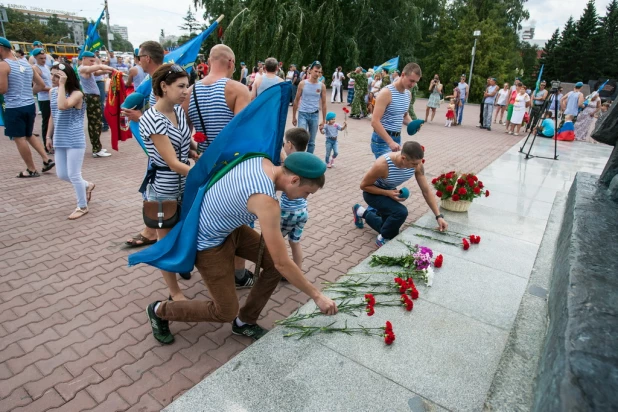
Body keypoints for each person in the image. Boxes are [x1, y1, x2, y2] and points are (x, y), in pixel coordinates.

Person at [145, 152, 338, 344]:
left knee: (271, 266)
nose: (306, 197)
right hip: (208, 242)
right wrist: (317, 296)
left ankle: (245, 321)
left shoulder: (261, 160)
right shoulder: (266, 201)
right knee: (225, 311)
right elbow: (283, 263)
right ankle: (159, 310)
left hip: (230, 228)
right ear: (294, 179)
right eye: (307, 193)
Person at [185, 44, 254, 288]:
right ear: (231, 63)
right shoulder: (237, 89)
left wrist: (197, 151)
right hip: (232, 166)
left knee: (210, 216)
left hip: (205, 165)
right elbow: (241, 134)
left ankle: (204, 265)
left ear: (210, 61)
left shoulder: (189, 91)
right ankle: (238, 275)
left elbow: (186, 132)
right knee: (240, 219)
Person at [140, 63, 194, 301]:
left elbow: (184, 142)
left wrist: (196, 151)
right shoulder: (152, 119)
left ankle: (181, 263)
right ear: (164, 86)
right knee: (165, 241)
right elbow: (172, 162)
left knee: (184, 230)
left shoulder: (178, 110)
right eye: (181, 86)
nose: (186, 90)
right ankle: (174, 292)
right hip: (164, 186)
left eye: (187, 85)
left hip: (184, 183)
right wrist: (201, 172)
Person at [352, 141, 448, 248]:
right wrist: (387, 193)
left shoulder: (417, 165)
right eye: (414, 164)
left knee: (390, 230)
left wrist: (438, 216)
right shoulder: (383, 165)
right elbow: (364, 186)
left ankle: (360, 212)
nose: (417, 166)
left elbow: (426, 191)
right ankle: (382, 239)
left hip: (389, 192)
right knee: (400, 212)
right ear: (403, 158)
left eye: (418, 163)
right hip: (373, 193)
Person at [0, 37, 55, 178]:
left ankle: (31, 169)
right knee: (29, 134)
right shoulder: (26, 64)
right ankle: (46, 159)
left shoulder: (3, 65)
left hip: (14, 107)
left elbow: (3, 89)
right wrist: (28, 94)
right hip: (29, 105)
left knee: (19, 138)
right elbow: (41, 84)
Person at [46, 62, 95, 219]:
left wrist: (61, 85)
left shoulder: (77, 94)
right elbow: (53, 114)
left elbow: (62, 106)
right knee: (62, 174)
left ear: (66, 77)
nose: (53, 78)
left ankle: (82, 206)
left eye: (57, 76)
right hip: (59, 138)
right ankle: (87, 185)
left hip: (74, 139)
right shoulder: (52, 92)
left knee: (74, 174)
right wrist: (48, 136)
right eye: (52, 74)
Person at [370, 62, 421, 158]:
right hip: (382, 140)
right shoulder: (386, 93)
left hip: (397, 139)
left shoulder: (407, 94)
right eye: (411, 80)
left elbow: (404, 115)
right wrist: (390, 142)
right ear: (403, 75)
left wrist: (412, 124)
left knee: (396, 172)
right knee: (387, 172)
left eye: (415, 82)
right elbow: (374, 121)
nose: (413, 84)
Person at [279, 128, 311, 270]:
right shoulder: (307, 161)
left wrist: (280, 151)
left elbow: (285, 163)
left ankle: (275, 270)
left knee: (276, 242)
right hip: (302, 211)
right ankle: (297, 271)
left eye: (285, 143)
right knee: (295, 242)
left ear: (290, 145)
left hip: (288, 212)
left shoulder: (291, 161)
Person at [78, 51, 114, 157]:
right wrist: (104, 66)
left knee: (97, 123)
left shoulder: (88, 69)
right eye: (91, 61)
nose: (92, 63)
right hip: (91, 98)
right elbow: (93, 69)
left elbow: (97, 72)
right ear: (84, 58)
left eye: (94, 61)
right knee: (94, 123)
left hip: (94, 98)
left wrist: (108, 70)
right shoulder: (83, 68)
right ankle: (96, 149)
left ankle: (97, 147)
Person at [292, 61, 327, 154]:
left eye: (319, 72)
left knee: (311, 142)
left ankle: (308, 161)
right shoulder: (302, 84)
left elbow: (324, 103)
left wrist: (324, 120)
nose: (317, 74)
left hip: (314, 115)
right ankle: (299, 158)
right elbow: (296, 100)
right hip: (303, 113)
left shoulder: (321, 86)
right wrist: (293, 116)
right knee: (301, 138)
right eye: (316, 71)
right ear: (310, 70)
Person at [31, 48, 53, 151]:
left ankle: (52, 143)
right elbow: (38, 86)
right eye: (41, 58)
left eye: (44, 58)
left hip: (51, 96)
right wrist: (52, 89)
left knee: (53, 121)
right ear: (35, 58)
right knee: (47, 121)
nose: (43, 60)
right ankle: (46, 145)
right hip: (44, 98)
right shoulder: (35, 68)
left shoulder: (46, 67)